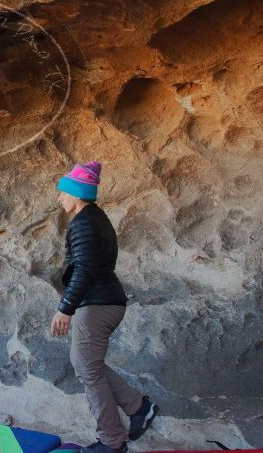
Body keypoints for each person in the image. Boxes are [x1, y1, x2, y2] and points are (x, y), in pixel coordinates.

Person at [50, 161, 159, 453]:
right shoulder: (96, 218)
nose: (60, 198)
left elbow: (84, 269)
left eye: (63, 192)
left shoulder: (84, 222)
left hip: (97, 304)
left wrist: (65, 308)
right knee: (88, 365)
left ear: (77, 194)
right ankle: (139, 408)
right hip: (105, 301)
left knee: (86, 366)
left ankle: (112, 443)